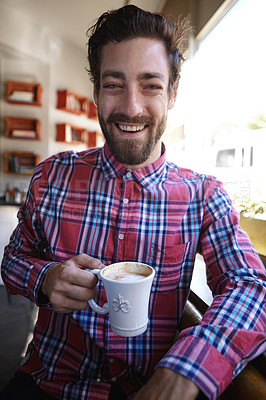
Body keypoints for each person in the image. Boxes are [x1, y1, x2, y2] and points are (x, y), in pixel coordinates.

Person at [1, 5, 265, 400]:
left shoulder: (204, 195)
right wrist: (46, 278)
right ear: (95, 91)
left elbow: (250, 285)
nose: (131, 106)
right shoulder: (50, 176)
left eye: (151, 85)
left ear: (173, 93)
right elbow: (13, 261)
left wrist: (186, 370)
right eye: (113, 84)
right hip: (45, 383)